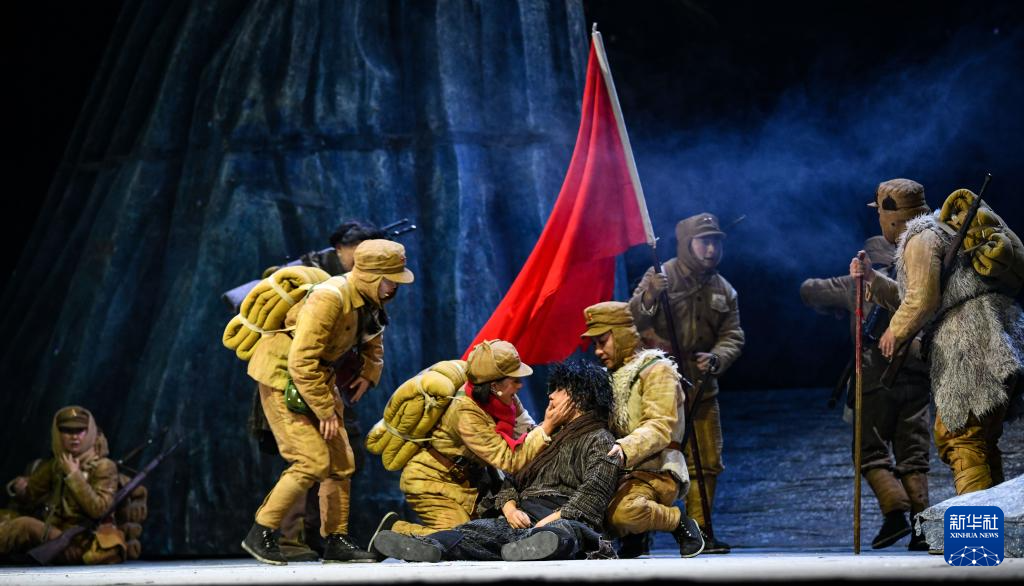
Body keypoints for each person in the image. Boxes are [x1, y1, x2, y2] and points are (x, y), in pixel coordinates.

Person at [243, 239, 413, 564]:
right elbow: (301, 361)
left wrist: (370, 371)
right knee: (311, 460)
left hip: (318, 377)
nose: (394, 287)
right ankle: (261, 531)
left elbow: (373, 337)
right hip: (282, 374)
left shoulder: (369, 300)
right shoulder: (329, 298)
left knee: (341, 462)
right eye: (389, 280)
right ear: (371, 276)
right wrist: (325, 410)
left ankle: (336, 539)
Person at [850, 178, 1024, 496]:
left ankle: (976, 524)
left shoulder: (921, 238)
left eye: (880, 213)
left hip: (970, 340)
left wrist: (894, 331)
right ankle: (994, 523)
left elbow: (922, 300)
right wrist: (872, 278)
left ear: (891, 215)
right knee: (980, 439)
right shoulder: (939, 231)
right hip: (998, 335)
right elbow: (918, 295)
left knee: (961, 437)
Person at [370, 360, 621, 562]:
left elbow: (592, 496)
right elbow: (512, 475)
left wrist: (547, 522)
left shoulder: (600, 439)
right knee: (474, 531)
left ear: (579, 397)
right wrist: (510, 508)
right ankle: (431, 546)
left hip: (559, 516)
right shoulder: (546, 436)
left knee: (567, 532)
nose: (551, 396)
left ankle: (537, 544)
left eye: (559, 390)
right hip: (523, 515)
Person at [801, 234, 931, 550]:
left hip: (875, 378)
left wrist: (834, 304)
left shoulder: (857, 282)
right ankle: (922, 529)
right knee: (913, 456)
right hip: (916, 379)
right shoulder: (919, 284)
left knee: (868, 450)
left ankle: (895, 512)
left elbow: (809, 290)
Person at [627, 213, 744, 553]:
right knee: (650, 459)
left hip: (701, 387)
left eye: (716, 242)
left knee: (707, 461)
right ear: (686, 243)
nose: (711, 249)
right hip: (659, 390)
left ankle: (700, 531)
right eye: (704, 242)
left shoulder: (724, 290)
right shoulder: (660, 276)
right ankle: (638, 529)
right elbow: (631, 319)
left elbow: (733, 334)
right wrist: (650, 295)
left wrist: (718, 357)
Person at [376, 340, 572, 538]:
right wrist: (548, 425)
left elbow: (528, 430)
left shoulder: (506, 399)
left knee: (478, 535)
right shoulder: (466, 412)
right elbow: (509, 460)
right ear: (494, 385)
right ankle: (395, 532)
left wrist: (556, 429)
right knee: (457, 537)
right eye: (514, 380)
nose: (520, 385)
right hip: (431, 481)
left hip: (468, 482)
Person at [579, 301, 705, 558]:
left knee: (623, 513)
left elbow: (659, 426)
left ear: (622, 335)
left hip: (655, 468)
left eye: (602, 341)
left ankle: (678, 521)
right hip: (617, 471)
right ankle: (635, 535)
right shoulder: (607, 377)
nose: (598, 351)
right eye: (594, 344)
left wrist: (625, 447)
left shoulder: (657, 370)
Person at [0, 406, 126, 565]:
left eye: (80, 430)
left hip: (81, 544)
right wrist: (18, 488)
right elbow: (31, 494)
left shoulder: (103, 466)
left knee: (25, 525)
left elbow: (99, 510)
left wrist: (74, 476)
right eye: (67, 430)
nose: (74, 437)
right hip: (55, 538)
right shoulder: (58, 464)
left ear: (90, 432)